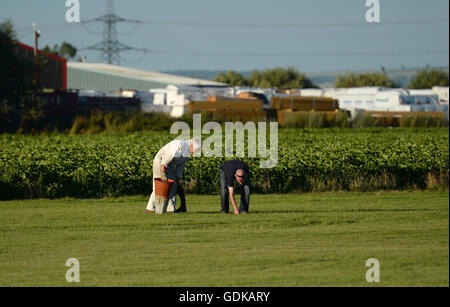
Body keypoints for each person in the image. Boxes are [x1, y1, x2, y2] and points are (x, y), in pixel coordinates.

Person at [146, 137, 201, 214]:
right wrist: (163, 172)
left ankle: (170, 209)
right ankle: (150, 208)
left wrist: (177, 178)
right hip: (161, 161)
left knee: (173, 186)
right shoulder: (180, 145)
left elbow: (181, 166)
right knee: (159, 186)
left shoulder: (187, 152)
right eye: (197, 149)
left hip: (169, 164)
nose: (197, 151)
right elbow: (168, 157)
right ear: (192, 145)